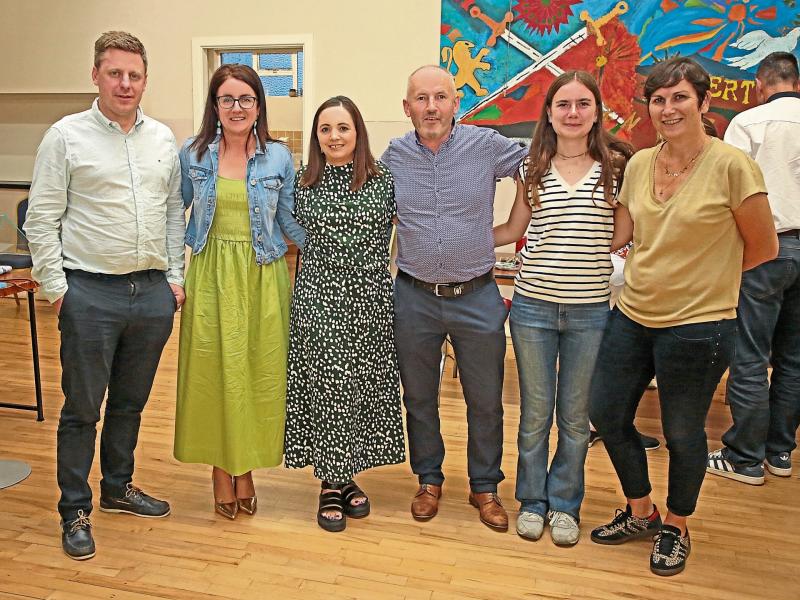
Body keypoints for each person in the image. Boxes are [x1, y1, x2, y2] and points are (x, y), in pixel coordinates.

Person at [587, 57, 777, 576]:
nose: (668, 108)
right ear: (648, 108)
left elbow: (762, 247)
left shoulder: (733, 166)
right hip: (633, 312)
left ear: (703, 103)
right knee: (606, 413)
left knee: (682, 431)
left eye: (679, 98)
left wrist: (706, 274)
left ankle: (676, 525)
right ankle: (641, 510)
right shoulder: (641, 163)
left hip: (700, 324)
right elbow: (621, 236)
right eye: (658, 99)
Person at [24, 31, 185, 560]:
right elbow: (41, 219)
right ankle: (75, 508)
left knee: (131, 403)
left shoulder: (162, 139)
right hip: (89, 293)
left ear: (145, 79)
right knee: (82, 408)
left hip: (151, 294)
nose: (125, 83)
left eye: (134, 75)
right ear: (96, 75)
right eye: (115, 73)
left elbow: (169, 216)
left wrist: (175, 280)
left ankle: (118, 486)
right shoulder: (65, 137)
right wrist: (58, 291)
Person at [382, 65, 528, 531]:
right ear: (407, 108)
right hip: (414, 297)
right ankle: (428, 479)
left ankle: (484, 487)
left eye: (440, 97)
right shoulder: (393, 156)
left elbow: (536, 162)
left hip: (478, 295)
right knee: (419, 397)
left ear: (455, 103)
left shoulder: (485, 146)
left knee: (485, 399)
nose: (431, 107)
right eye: (421, 99)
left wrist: (520, 217)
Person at [493, 70, 634, 545]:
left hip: (590, 311)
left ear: (596, 112)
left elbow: (623, 233)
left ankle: (566, 504)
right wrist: (452, 240)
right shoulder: (530, 167)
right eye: (563, 105)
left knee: (575, 418)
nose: (572, 113)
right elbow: (513, 229)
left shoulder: (618, 166)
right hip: (532, 307)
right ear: (549, 113)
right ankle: (532, 500)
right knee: (535, 413)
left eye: (582, 104)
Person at [173, 64, 305, 519]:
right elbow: (174, 216)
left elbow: (289, 222)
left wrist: (337, 251)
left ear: (258, 106)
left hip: (262, 275)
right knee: (211, 375)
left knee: (256, 376)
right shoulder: (192, 154)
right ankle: (219, 469)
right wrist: (174, 274)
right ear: (215, 106)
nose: (237, 108)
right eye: (227, 99)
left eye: (246, 99)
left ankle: (244, 468)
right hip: (209, 275)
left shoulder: (279, 158)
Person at [284, 96, 405, 532]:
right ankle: (329, 484)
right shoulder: (301, 182)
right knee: (330, 386)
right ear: (317, 137)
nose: (334, 137)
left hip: (369, 303)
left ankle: (347, 474)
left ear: (358, 132)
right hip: (318, 301)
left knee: (358, 389)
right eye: (325, 129)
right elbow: (285, 225)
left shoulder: (383, 180)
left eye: (343, 128)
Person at [707, 51, 800, 485]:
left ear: (761, 84)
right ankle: (780, 452)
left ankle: (744, 457)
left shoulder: (748, 123)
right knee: (794, 359)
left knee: (749, 356)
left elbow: (728, 187)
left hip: (765, 249)